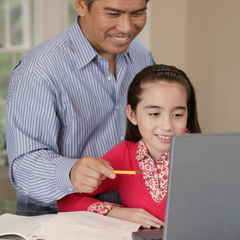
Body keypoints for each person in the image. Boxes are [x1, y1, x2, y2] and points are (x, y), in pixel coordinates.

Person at [5, 0, 154, 208]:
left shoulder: (142, 56)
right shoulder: (39, 70)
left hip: (134, 219)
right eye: (113, 14)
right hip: (58, 226)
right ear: (81, 5)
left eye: (137, 13)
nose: (127, 27)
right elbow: (24, 169)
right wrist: (70, 172)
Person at [57, 64, 202, 228]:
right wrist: (117, 213)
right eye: (154, 114)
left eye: (177, 115)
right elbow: (66, 199)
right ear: (132, 115)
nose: (167, 125)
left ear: (188, 115)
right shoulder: (123, 156)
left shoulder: (206, 155)